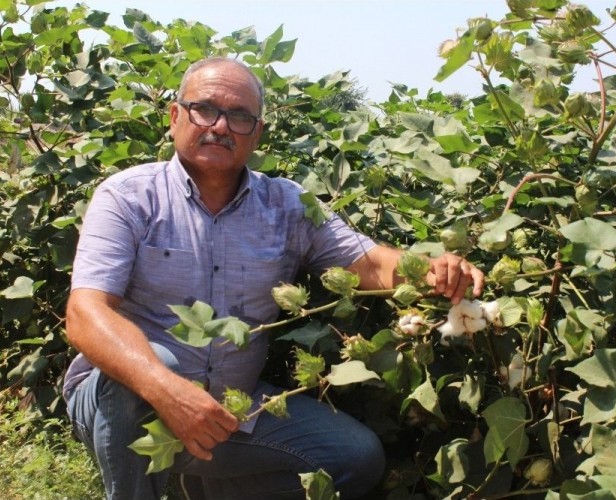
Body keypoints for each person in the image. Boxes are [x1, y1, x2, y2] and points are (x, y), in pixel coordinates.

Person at [63, 56, 484, 500]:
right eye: (205, 109)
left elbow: (368, 263)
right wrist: (168, 391)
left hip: (231, 406)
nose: (221, 126)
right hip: (121, 400)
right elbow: (85, 314)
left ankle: (197, 487)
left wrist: (432, 268)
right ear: (175, 116)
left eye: (240, 117)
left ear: (257, 133)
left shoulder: (287, 205)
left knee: (356, 457)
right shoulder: (128, 196)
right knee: (153, 369)